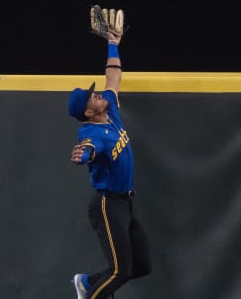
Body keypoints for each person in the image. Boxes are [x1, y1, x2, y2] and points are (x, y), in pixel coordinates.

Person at [67, 23, 151, 299]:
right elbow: (90, 148)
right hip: (107, 204)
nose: (98, 93)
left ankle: (87, 283)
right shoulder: (90, 131)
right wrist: (83, 156)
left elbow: (113, 75)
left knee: (141, 266)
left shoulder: (111, 109)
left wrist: (113, 42)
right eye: (93, 96)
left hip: (125, 202)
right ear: (89, 112)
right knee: (119, 271)